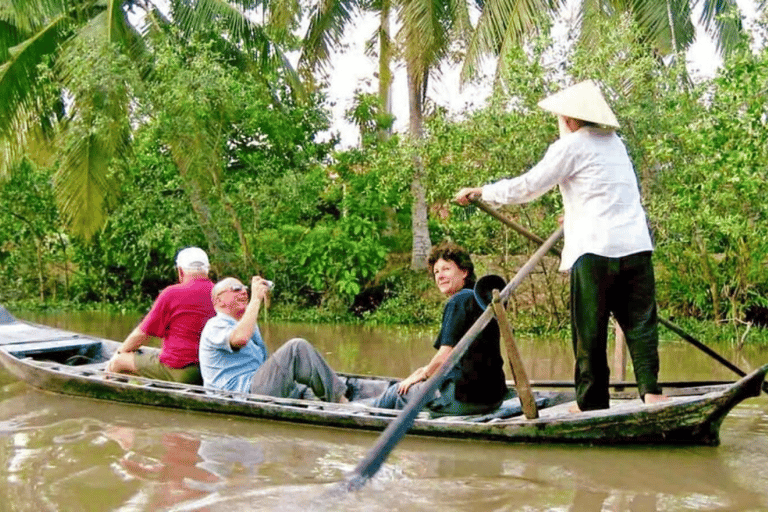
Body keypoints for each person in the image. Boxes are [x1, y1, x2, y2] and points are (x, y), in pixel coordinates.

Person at [454, 79, 666, 411]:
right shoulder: (616, 144)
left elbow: (527, 187)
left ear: (568, 120)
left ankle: (591, 401)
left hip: (595, 251)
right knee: (640, 323)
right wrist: (573, 215)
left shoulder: (570, 146)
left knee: (589, 330)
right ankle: (651, 393)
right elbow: (608, 191)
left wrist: (481, 191)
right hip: (636, 245)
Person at [373, 242, 507, 416]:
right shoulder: (482, 303)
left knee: (397, 392)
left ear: (464, 272)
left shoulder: (458, 301)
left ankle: (362, 416)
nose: (440, 276)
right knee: (416, 380)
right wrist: (425, 370)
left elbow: (445, 356)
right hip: (493, 398)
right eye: (436, 272)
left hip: (465, 400)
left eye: (446, 269)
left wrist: (423, 375)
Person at [199, 276, 349, 403]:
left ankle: (346, 399)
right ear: (219, 301)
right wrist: (256, 299)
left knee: (305, 388)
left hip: (256, 386)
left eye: (245, 288)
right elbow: (240, 339)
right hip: (240, 394)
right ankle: (342, 403)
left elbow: (263, 362)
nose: (244, 292)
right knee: (296, 348)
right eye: (236, 289)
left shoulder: (247, 324)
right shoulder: (214, 325)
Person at [107, 247, 215, 384]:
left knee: (119, 361)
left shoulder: (172, 294)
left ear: (180, 271)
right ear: (207, 270)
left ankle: (116, 402)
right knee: (149, 358)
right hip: (208, 371)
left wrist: (119, 353)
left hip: (180, 372)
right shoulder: (219, 293)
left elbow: (142, 335)